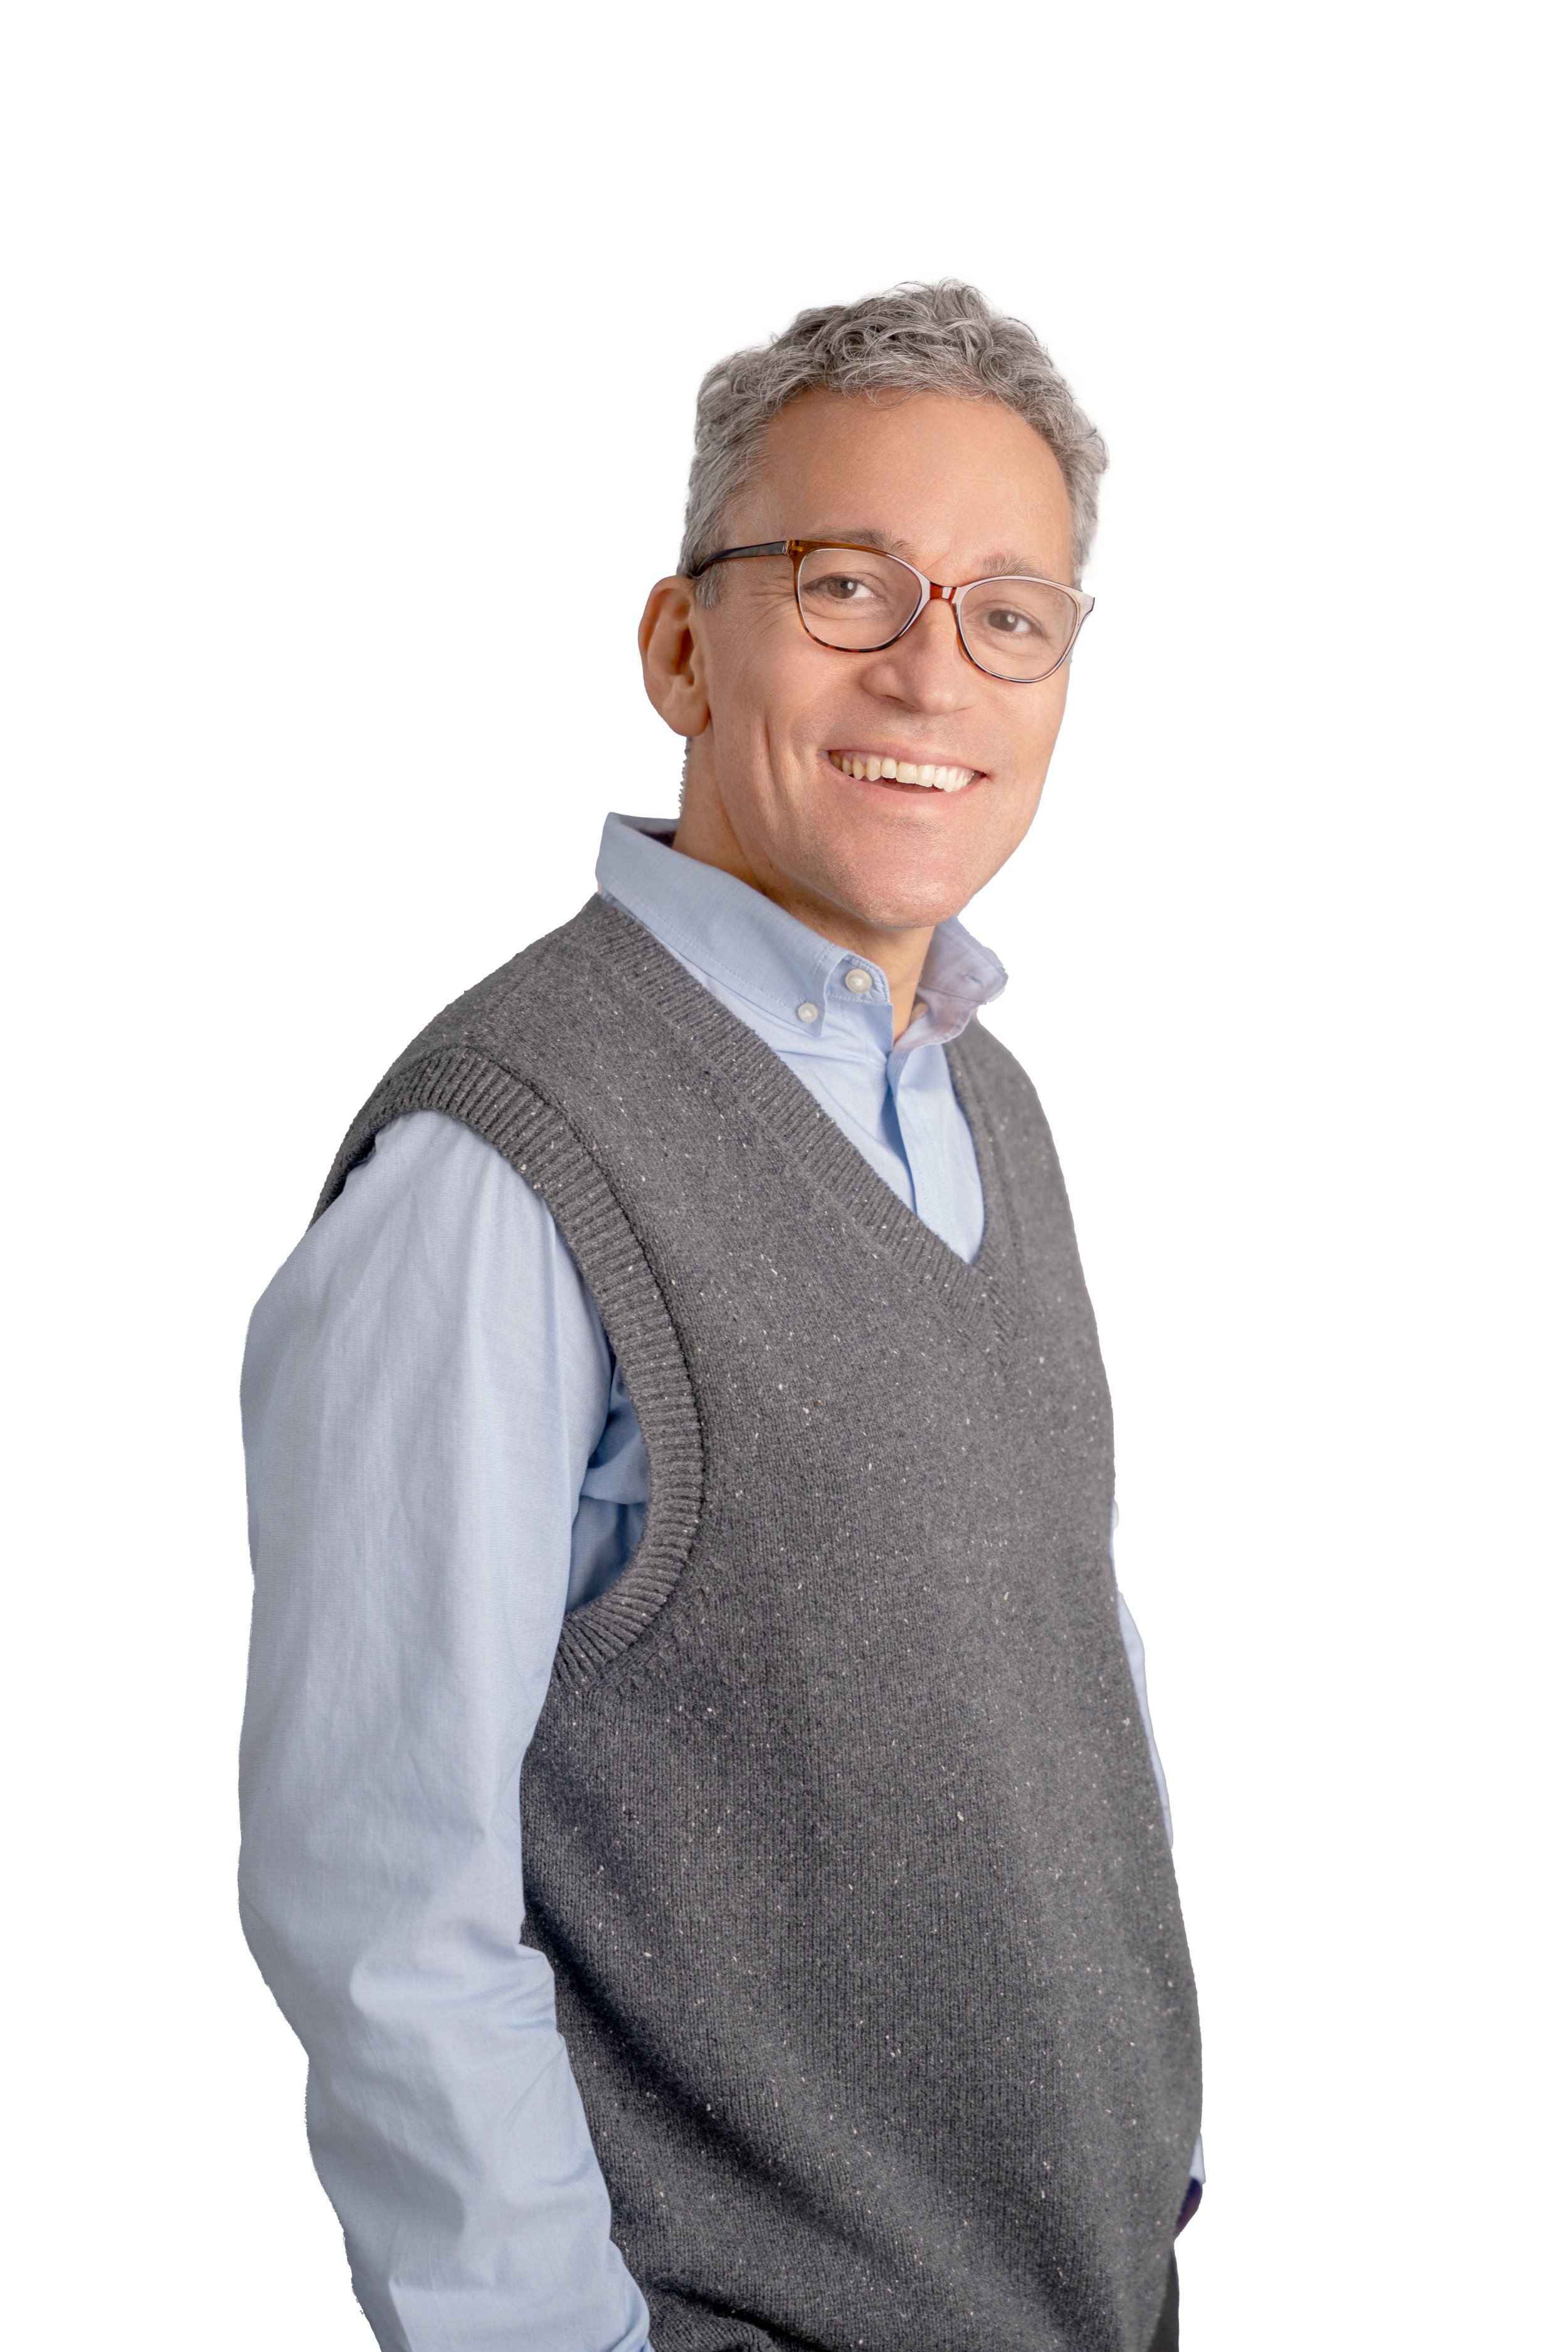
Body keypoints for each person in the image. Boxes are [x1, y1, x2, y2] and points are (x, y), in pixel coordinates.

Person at [239, 280, 1203, 2352]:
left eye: (1008, 612)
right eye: (848, 584)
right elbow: (381, 1897)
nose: (932, 672)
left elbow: (1039, 1687)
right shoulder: (503, 1165)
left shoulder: (982, 1103)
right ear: (682, 644)